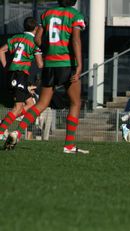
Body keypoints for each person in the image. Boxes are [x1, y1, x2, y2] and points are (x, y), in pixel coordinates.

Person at [4, 0, 87, 153]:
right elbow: (76, 40)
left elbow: (37, 39)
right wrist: (80, 65)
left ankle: (17, 132)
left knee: (41, 104)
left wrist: (49, 49)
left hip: (49, 64)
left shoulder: (47, 14)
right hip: (67, 63)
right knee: (75, 103)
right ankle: (68, 146)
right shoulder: (75, 15)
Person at [0, 17, 43, 141]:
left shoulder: (16, 37)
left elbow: (1, 51)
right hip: (20, 75)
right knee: (18, 107)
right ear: (36, 28)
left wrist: (5, 67)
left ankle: (3, 123)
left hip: (14, 74)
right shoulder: (34, 42)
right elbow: (40, 64)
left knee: (30, 104)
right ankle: (1, 130)